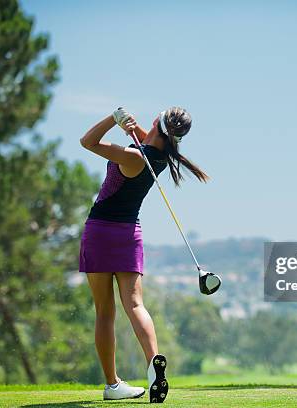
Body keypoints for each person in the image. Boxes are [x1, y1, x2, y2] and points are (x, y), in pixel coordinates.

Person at [78, 107, 208, 402]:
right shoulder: (160, 157)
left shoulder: (134, 156)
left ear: (157, 123)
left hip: (100, 232)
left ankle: (112, 385)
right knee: (135, 304)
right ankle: (153, 362)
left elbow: (87, 141)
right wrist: (132, 128)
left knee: (105, 311)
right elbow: (149, 141)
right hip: (129, 236)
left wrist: (113, 119)